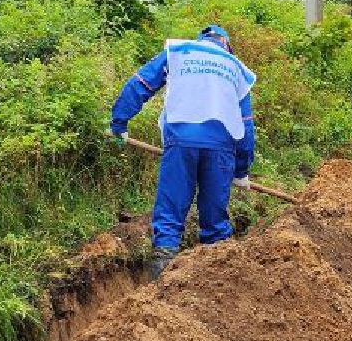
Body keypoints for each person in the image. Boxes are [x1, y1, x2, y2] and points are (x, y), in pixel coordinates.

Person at [109, 25, 257, 280]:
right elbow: (246, 122)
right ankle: (218, 277)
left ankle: (163, 272)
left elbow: (141, 83)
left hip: (181, 140)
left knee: (171, 207)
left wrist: (119, 122)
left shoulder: (178, 52)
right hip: (222, 147)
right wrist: (241, 170)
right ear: (226, 45)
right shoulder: (234, 67)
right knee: (215, 216)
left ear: (201, 40)